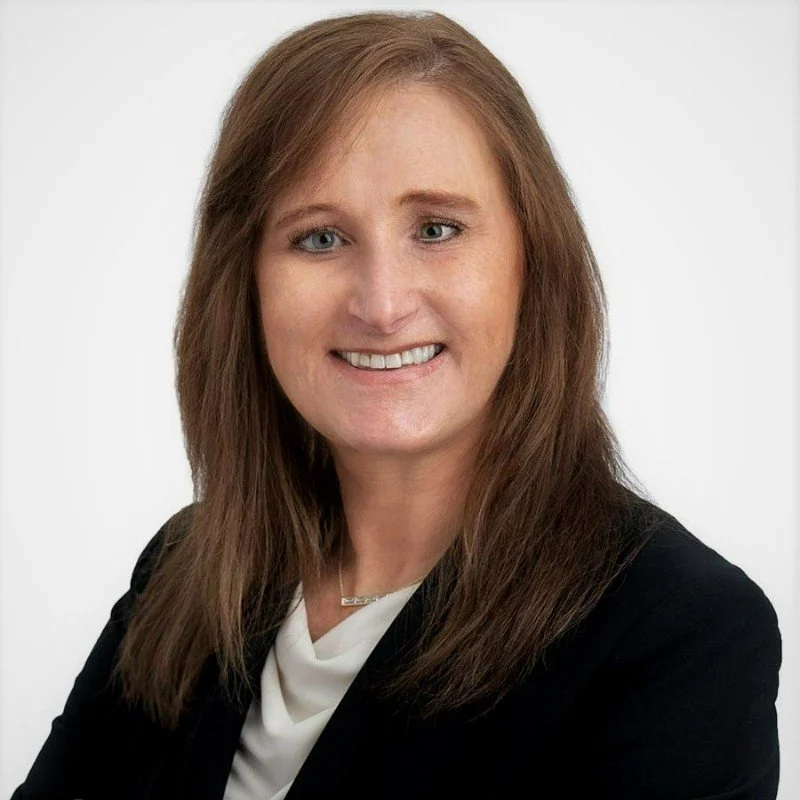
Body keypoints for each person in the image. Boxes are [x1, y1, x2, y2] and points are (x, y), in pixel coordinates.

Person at [12, 9, 781, 800]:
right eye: (319, 238)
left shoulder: (677, 633)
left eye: (437, 229)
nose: (382, 305)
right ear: (245, 285)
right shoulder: (187, 573)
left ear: (533, 262)